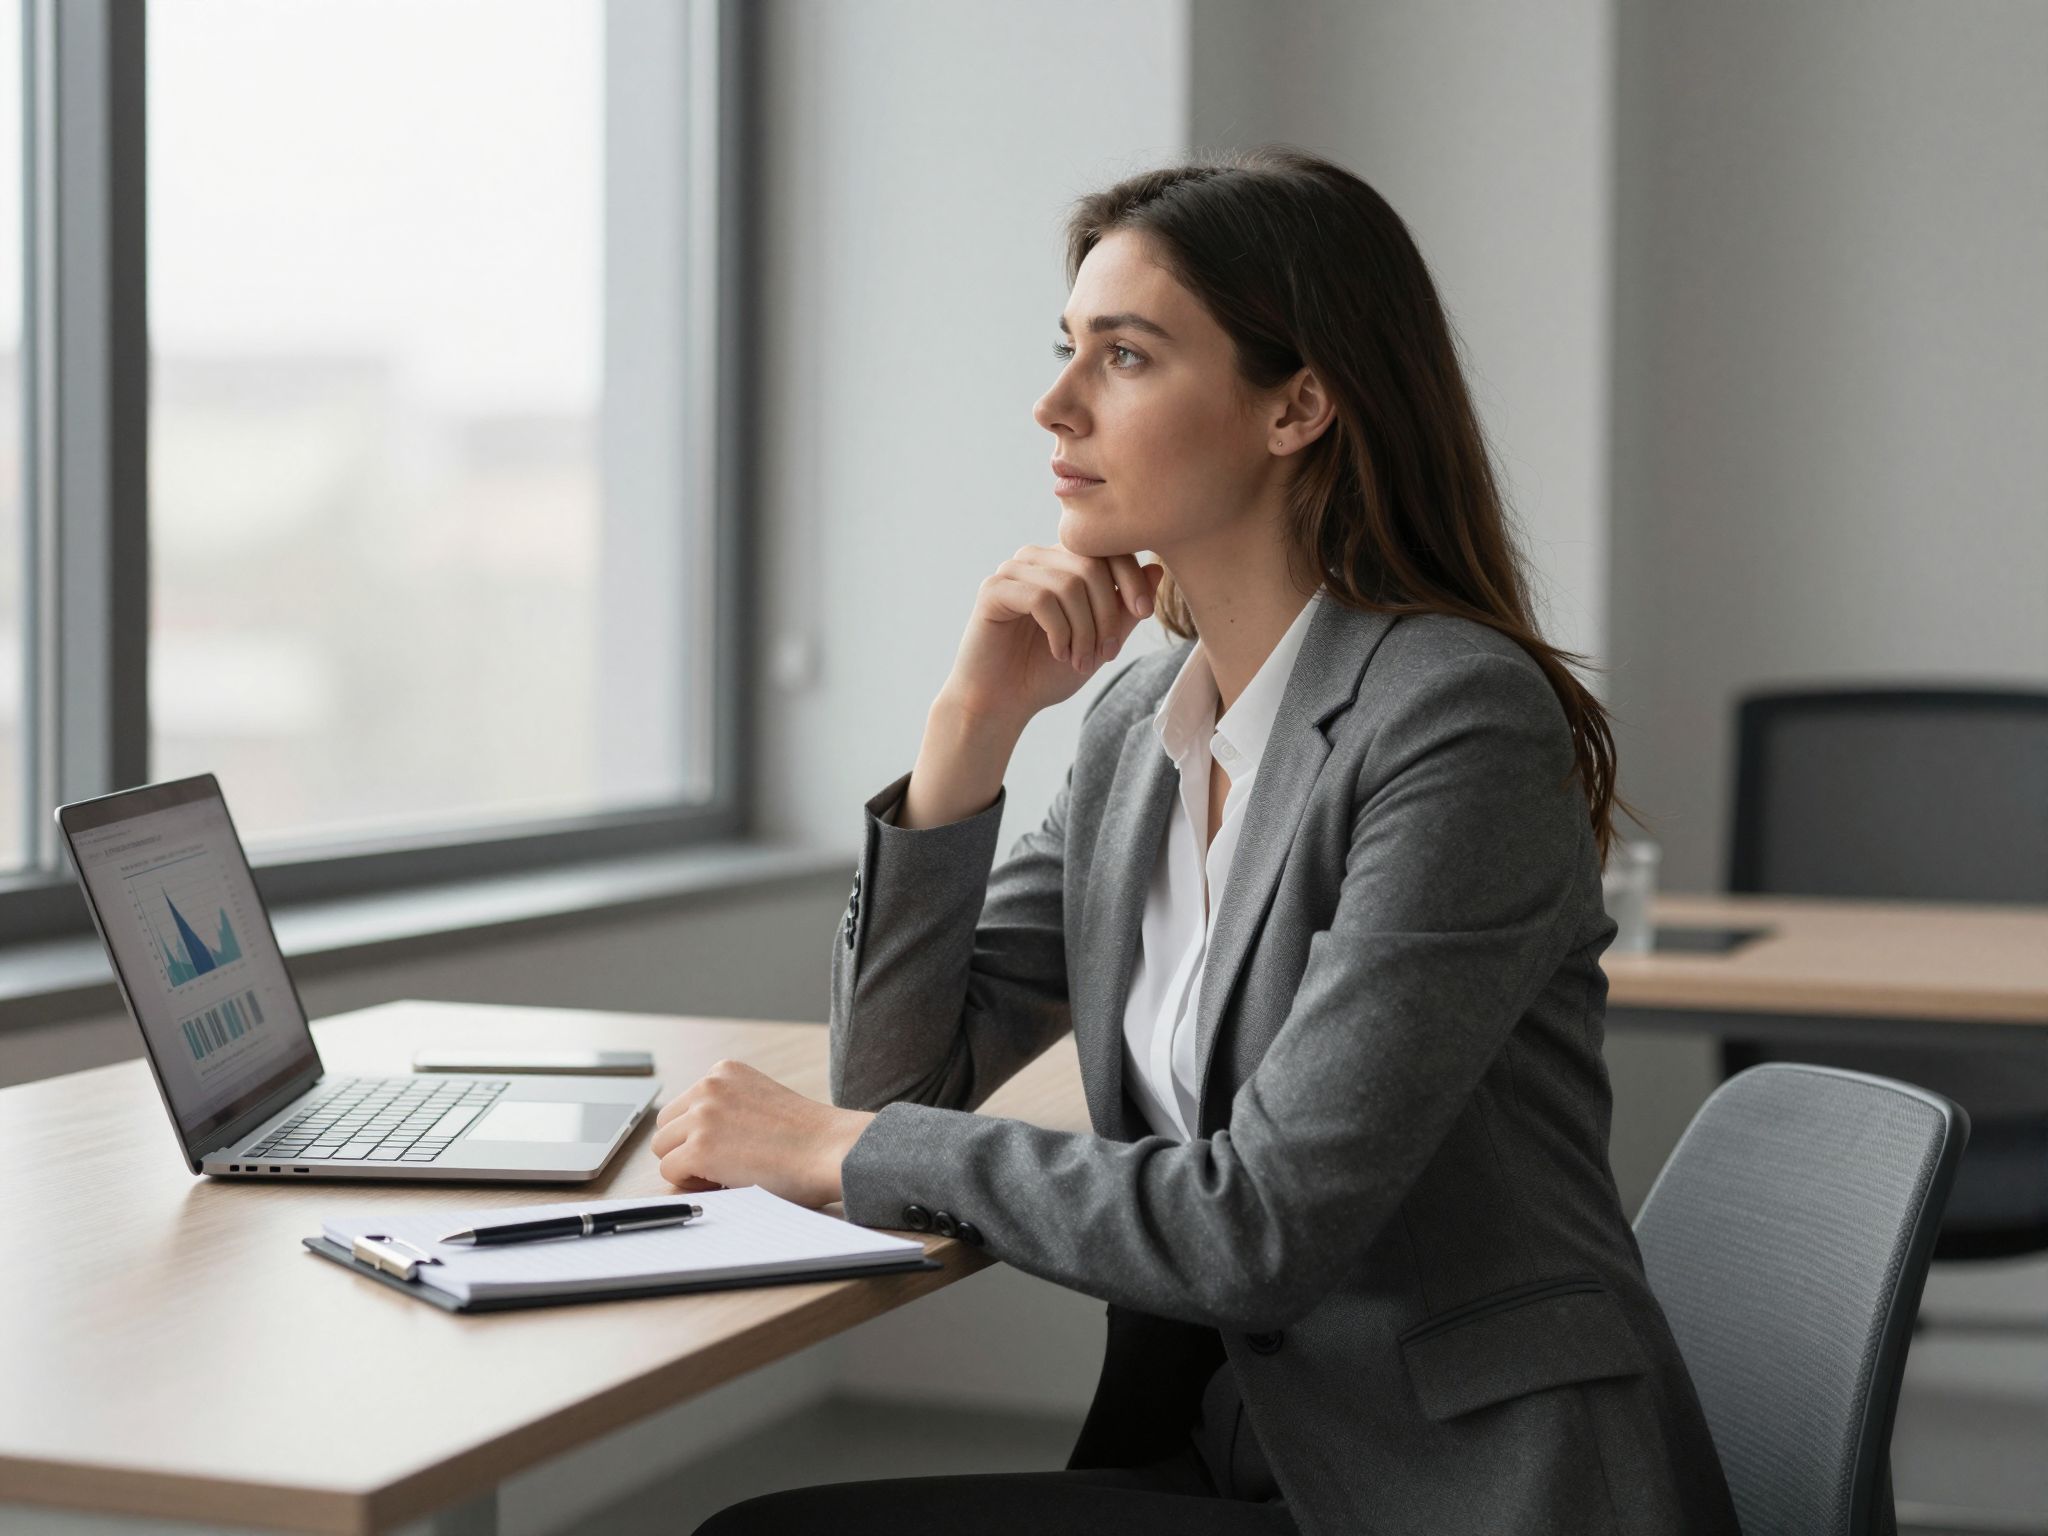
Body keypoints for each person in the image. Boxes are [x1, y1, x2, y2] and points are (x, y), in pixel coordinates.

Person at [657, 147, 1741, 1536]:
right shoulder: (1135, 731)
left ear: (1296, 405)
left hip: (1458, 1483)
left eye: (1124, 357)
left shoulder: (1454, 725)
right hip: (1236, 1445)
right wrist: (970, 726)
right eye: (1067, 350)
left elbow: (1259, 1229)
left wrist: (842, 1149)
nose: (1053, 404)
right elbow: (899, 1076)